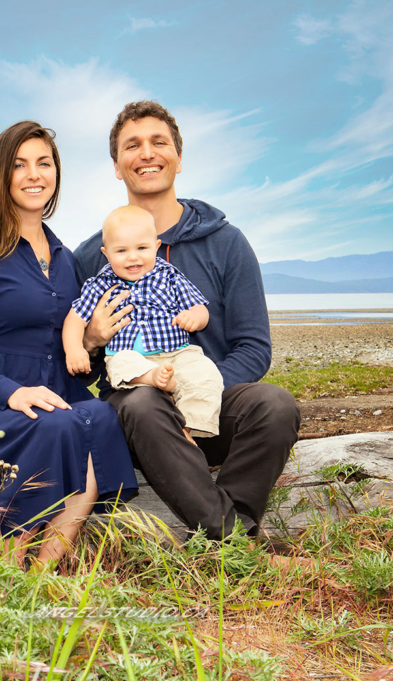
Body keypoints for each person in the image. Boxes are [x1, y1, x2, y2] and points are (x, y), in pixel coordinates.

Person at [74, 101, 301, 541]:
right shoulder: (91, 257)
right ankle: (235, 543)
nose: (147, 153)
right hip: (137, 415)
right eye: (132, 146)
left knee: (275, 405)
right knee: (143, 404)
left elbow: (254, 348)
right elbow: (75, 358)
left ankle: (225, 531)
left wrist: (193, 390)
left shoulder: (226, 243)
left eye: (159, 142)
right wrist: (90, 338)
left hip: (212, 406)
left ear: (178, 157)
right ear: (117, 167)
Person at [0, 120, 137, 567]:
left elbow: (72, 343)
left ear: (56, 173)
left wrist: (94, 340)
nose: (34, 174)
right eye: (20, 165)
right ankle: (6, 565)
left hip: (53, 395)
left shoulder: (66, 259)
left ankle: (44, 570)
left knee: (101, 416)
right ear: (0, 175)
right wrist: (13, 392)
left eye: (44, 163)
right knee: (58, 425)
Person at [63, 204, 224, 438]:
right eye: (121, 251)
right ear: (105, 253)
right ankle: (152, 379)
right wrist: (75, 349)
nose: (133, 257)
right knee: (120, 365)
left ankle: (190, 426)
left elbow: (199, 306)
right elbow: (75, 318)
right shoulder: (100, 284)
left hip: (177, 353)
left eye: (141, 248)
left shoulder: (169, 275)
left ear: (156, 247)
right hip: (130, 356)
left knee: (206, 372)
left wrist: (194, 318)